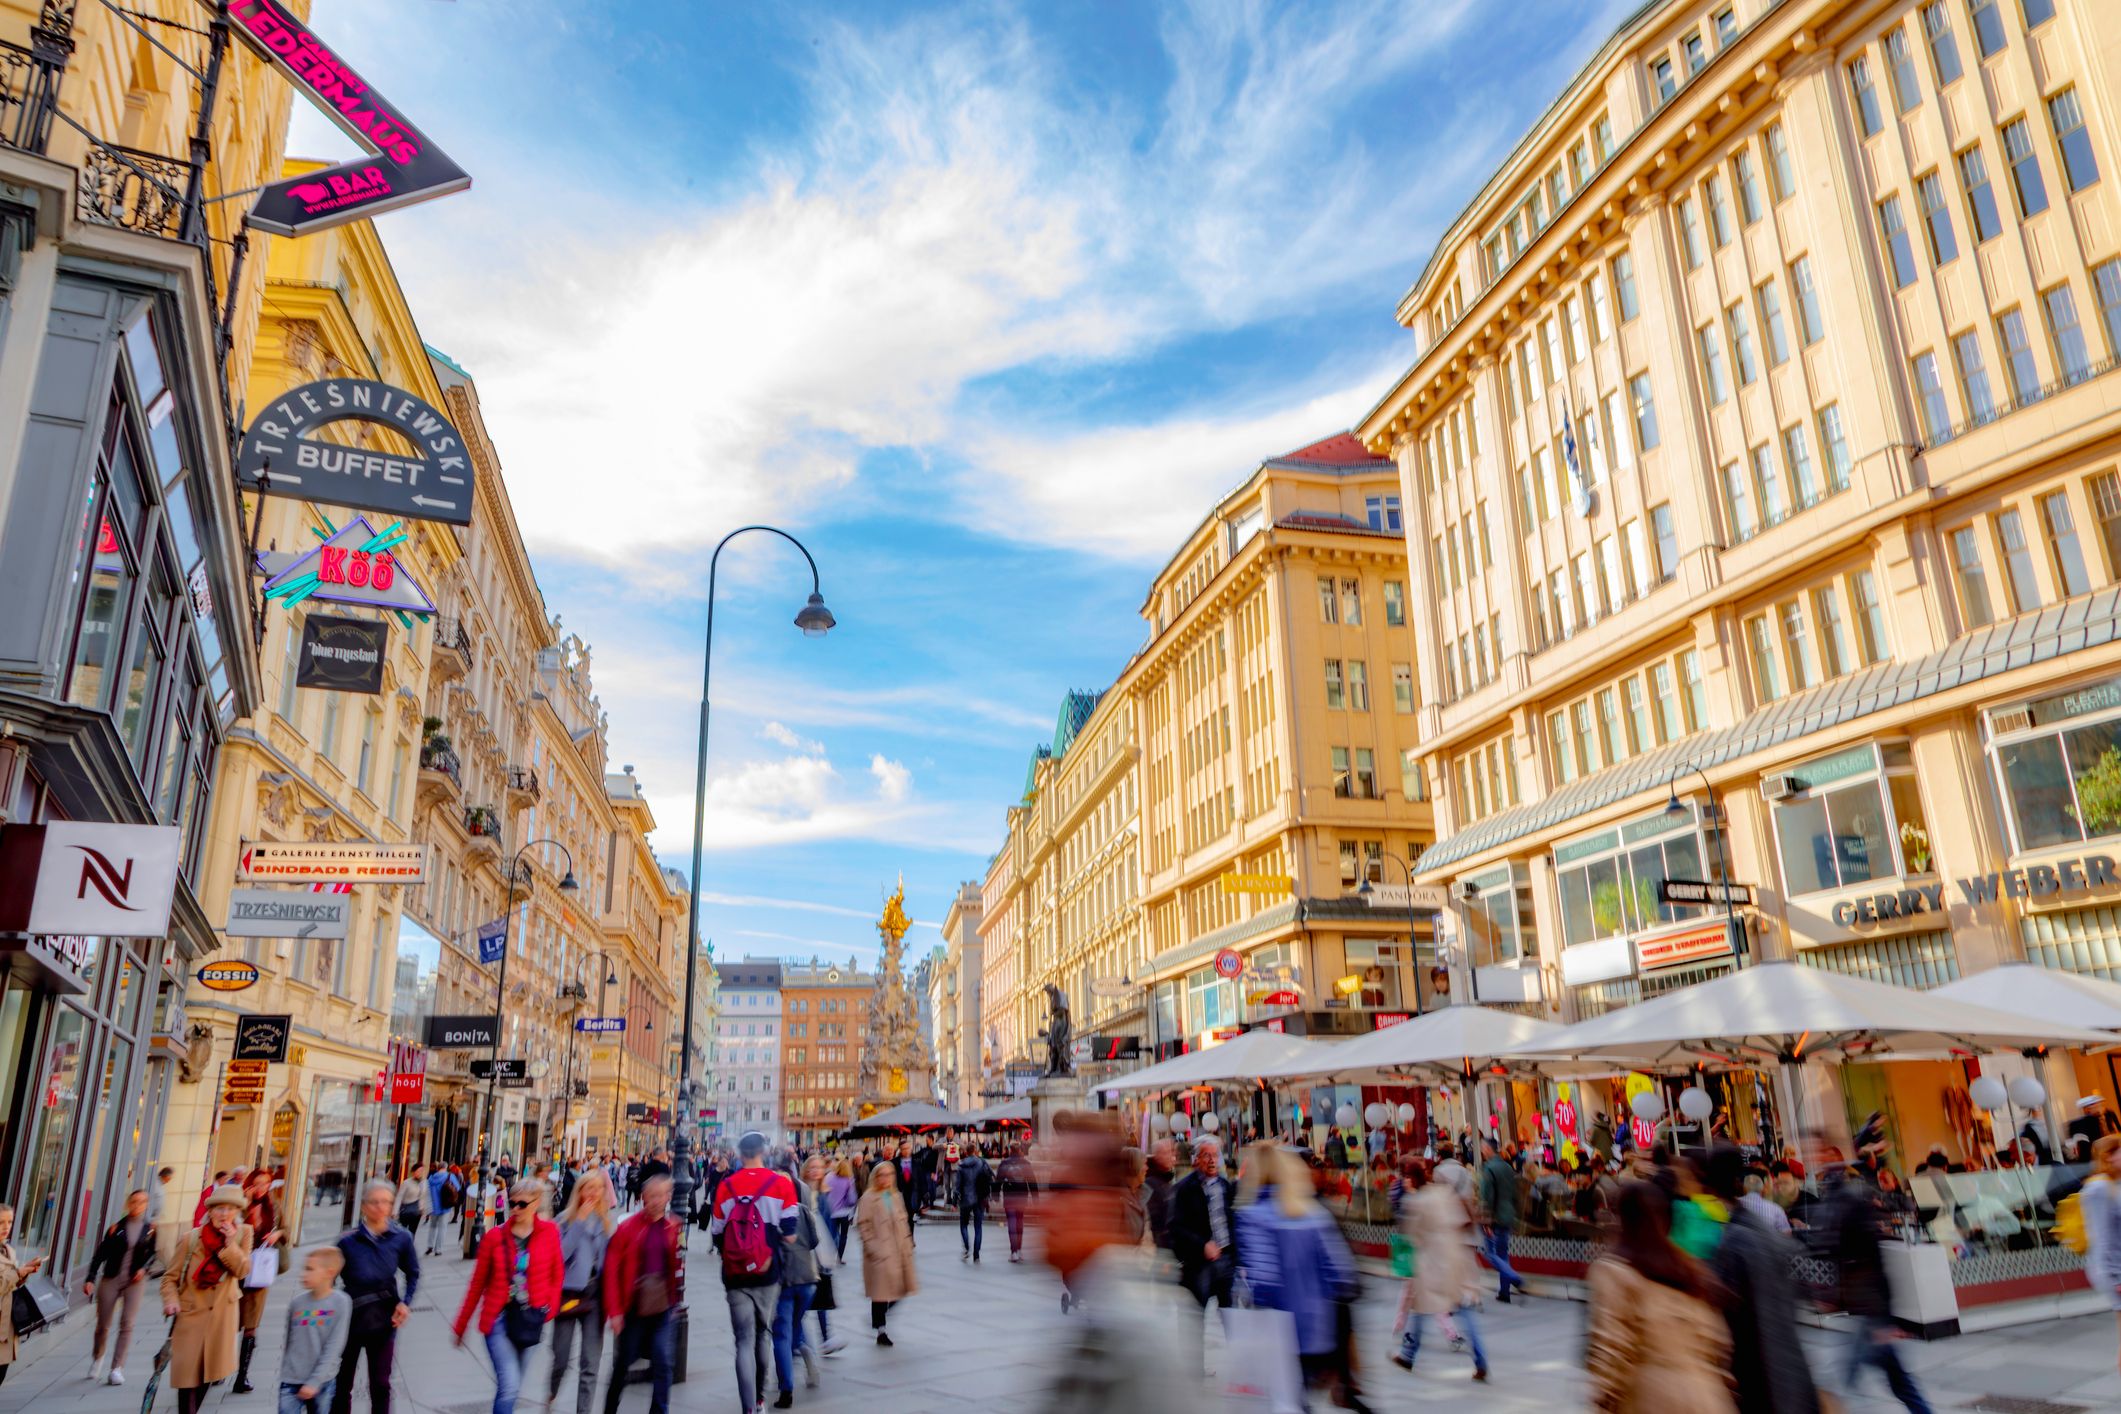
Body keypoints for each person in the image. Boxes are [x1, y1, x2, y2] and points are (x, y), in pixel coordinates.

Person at [1584, 1181, 1735, 1412]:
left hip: (1654, 1398)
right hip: (1708, 1398)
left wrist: (1604, 1398)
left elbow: (1610, 1347)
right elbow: (1719, 1343)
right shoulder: (1689, 1271)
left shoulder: (1614, 1271)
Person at [1237, 1145, 1364, 1410]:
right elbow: (1342, 1276)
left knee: (1286, 1402)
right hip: (1317, 1332)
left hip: (1278, 1335)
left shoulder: (1252, 1217)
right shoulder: (1313, 1214)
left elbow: (1263, 1283)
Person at [1702, 1145, 1820, 1414]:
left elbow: (1733, 1319)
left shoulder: (1735, 1239)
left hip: (1763, 1374)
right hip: (1786, 1366)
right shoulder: (1758, 1228)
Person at [1825, 1156, 1935, 1414]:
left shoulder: (1854, 1213)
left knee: (1853, 1379)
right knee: (1895, 1381)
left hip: (1870, 1315)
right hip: (1868, 1312)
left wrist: (1884, 1319)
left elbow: (1874, 1264)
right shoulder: (1850, 1212)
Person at [453, 1180, 562, 1414]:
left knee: (513, 1386)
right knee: (510, 1386)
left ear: (536, 1204)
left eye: (522, 1204)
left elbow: (557, 1274)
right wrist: (461, 1325)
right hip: (498, 1320)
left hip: (531, 1320)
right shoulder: (494, 1237)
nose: (515, 1209)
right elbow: (477, 1284)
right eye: (512, 1203)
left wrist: (548, 1308)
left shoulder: (550, 1233)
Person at [706, 1133, 797, 1411]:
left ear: (740, 1153)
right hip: (768, 1271)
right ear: (764, 1152)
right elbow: (791, 1235)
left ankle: (748, 1407)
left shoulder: (726, 1185)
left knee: (743, 1340)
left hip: (735, 1273)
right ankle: (760, 1399)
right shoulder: (781, 1183)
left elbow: (717, 1231)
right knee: (763, 1334)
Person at [1391, 1158, 1488, 1382]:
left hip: (1431, 1263)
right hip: (1453, 1258)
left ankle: (1408, 1354)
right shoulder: (1443, 1193)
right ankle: (1480, 1360)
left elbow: (1411, 1235)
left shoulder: (1415, 1202)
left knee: (1421, 1308)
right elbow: (1462, 1220)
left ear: (1412, 1178)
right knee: (1462, 1309)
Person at [163, 1185, 254, 1414]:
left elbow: (242, 1271)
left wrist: (229, 1244)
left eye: (230, 1209)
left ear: (237, 1213)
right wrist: (170, 1300)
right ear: (210, 1211)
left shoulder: (244, 1233)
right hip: (191, 1316)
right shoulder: (191, 1239)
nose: (224, 1214)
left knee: (207, 1375)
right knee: (187, 1379)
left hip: (222, 1317)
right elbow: (169, 1278)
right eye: (219, 1208)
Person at [332, 1180, 420, 1414]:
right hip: (351, 1318)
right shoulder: (347, 1241)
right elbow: (328, 1278)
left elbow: (413, 1273)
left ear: (392, 1206)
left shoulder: (401, 1238)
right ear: (363, 1206)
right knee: (343, 1381)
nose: (380, 1207)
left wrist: (405, 1302)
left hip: (384, 1318)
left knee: (380, 1383)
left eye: (386, 1202)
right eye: (374, 1202)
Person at [605, 1174, 684, 1414]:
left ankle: (659, 1410)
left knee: (663, 1360)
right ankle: (610, 1408)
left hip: (663, 1306)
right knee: (623, 1363)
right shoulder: (627, 1228)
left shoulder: (673, 1226)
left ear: (668, 1197)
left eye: (661, 1195)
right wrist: (616, 1312)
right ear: (643, 1198)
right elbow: (611, 1270)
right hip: (634, 1306)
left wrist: (676, 1301)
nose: (657, 1201)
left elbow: (678, 1264)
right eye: (652, 1196)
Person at [551, 1168, 613, 1414]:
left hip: (594, 1296)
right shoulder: (563, 1221)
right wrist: (578, 1224)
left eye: (598, 1189)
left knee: (590, 1362)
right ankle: (552, 1391)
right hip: (568, 1295)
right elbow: (560, 1256)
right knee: (561, 1359)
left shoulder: (605, 1222)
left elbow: (607, 1262)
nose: (594, 1193)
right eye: (589, 1188)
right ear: (579, 1192)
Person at [85, 1187, 157, 1385]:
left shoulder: (150, 1229)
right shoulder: (116, 1228)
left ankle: (117, 1368)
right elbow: (100, 1255)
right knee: (103, 1325)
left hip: (135, 1282)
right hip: (111, 1279)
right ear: (128, 1204)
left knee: (127, 1324)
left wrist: (143, 1268)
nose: (137, 1205)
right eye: (134, 1202)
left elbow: (153, 1253)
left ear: (146, 1205)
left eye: (142, 1202)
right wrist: (90, 1277)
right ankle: (98, 1356)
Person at [769, 1156, 825, 1406]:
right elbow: (814, 1241)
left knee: (781, 1334)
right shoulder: (802, 1210)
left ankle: (786, 1389)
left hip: (784, 1280)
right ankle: (805, 1352)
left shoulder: (770, 1213)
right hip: (808, 1279)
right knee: (794, 1324)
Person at [1169, 1137, 1238, 1317]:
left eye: (1215, 1155)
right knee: (1194, 1316)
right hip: (1199, 1264)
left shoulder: (1224, 1186)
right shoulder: (1185, 1189)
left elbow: (1231, 1220)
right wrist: (1202, 1245)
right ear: (1197, 1159)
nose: (1212, 1160)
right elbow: (1176, 1227)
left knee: (1230, 1317)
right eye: (1206, 1156)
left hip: (1226, 1259)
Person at [280, 1247, 351, 1414]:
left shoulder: (340, 1302)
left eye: (310, 1269)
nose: (304, 1274)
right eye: (305, 1268)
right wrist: (287, 1371)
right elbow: (290, 1341)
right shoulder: (297, 1303)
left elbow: (334, 1346)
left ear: (329, 1272)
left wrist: (314, 1381)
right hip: (291, 1379)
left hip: (322, 1382)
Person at [854, 1157, 917, 1345]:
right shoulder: (868, 1198)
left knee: (900, 1289)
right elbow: (863, 1225)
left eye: (889, 1174)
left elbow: (904, 1220)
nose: (886, 1178)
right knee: (880, 1293)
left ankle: (879, 1320)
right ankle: (881, 1329)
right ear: (875, 1177)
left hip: (898, 1249)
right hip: (880, 1251)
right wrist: (872, 1247)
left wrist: (908, 1243)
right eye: (882, 1175)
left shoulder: (895, 1196)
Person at [235, 1165, 283, 1393]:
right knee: (229, 1324)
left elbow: (287, 1227)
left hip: (259, 1272)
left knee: (251, 1327)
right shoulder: (240, 1205)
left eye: (266, 1183)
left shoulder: (273, 1205)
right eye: (258, 1183)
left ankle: (242, 1375)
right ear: (250, 1184)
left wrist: (278, 1234)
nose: (262, 1188)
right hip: (235, 1273)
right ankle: (217, 1369)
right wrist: (245, 1205)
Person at [1477, 1138, 1530, 1302]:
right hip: (1508, 1214)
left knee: (1490, 1254)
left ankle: (1515, 1278)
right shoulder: (1507, 1167)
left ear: (1487, 1149)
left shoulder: (1489, 1169)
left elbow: (1487, 1197)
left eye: (1482, 1148)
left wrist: (1486, 1220)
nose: (1481, 1151)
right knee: (1502, 1253)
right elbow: (1516, 1194)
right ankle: (1504, 1292)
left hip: (1495, 1216)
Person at [0, 1203, 45, 1390]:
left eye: (10, 1222)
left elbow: (10, 1284)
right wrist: (18, 1272)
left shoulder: (8, 1250)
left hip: (6, 1326)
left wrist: (25, 1272)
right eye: (1, 1222)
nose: (6, 1227)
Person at [997, 1142, 1039, 1263]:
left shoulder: (1004, 1163)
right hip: (1022, 1197)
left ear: (1010, 1150)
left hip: (1009, 1197)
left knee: (1011, 1222)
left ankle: (1013, 1251)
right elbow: (1032, 1182)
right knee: (1020, 1222)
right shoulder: (1025, 1164)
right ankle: (1019, 1249)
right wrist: (1035, 1198)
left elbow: (998, 1180)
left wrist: (995, 1196)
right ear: (1019, 1150)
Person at [953, 1139, 992, 1262]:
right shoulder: (982, 1163)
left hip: (965, 1199)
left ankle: (966, 1248)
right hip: (979, 1198)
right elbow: (990, 1177)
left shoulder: (961, 1165)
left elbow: (957, 1186)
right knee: (978, 1227)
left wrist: (954, 1202)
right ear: (975, 1151)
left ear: (965, 1152)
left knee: (963, 1224)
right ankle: (976, 1254)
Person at [1142, 1138, 1176, 1249]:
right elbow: (1155, 1223)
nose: (1172, 1156)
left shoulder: (1166, 1180)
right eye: (1166, 1152)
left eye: (1172, 1151)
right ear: (1157, 1156)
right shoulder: (1150, 1184)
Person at [825, 1158, 858, 1258]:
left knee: (831, 1234)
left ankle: (830, 1254)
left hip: (831, 1211)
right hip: (844, 1212)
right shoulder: (849, 1180)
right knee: (844, 1235)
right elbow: (852, 1199)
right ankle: (839, 1257)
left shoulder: (829, 1177)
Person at [426, 1164, 462, 1256]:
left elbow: (427, 1191)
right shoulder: (450, 1176)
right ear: (445, 1168)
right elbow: (457, 1188)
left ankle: (430, 1246)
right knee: (442, 1228)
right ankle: (438, 1249)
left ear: (438, 1168)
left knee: (432, 1227)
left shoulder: (431, 1178)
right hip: (445, 1206)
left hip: (434, 1206)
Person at [395, 1165, 430, 1243]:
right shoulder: (406, 1183)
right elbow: (399, 1197)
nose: (420, 1173)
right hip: (406, 1210)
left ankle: (408, 1249)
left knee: (412, 1232)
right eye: (418, 1171)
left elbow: (424, 1197)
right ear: (413, 1172)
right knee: (402, 1232)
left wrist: (425, 1210)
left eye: (421, 1171)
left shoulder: (424, 1182)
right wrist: (395, 1211)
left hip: (417, 1212)